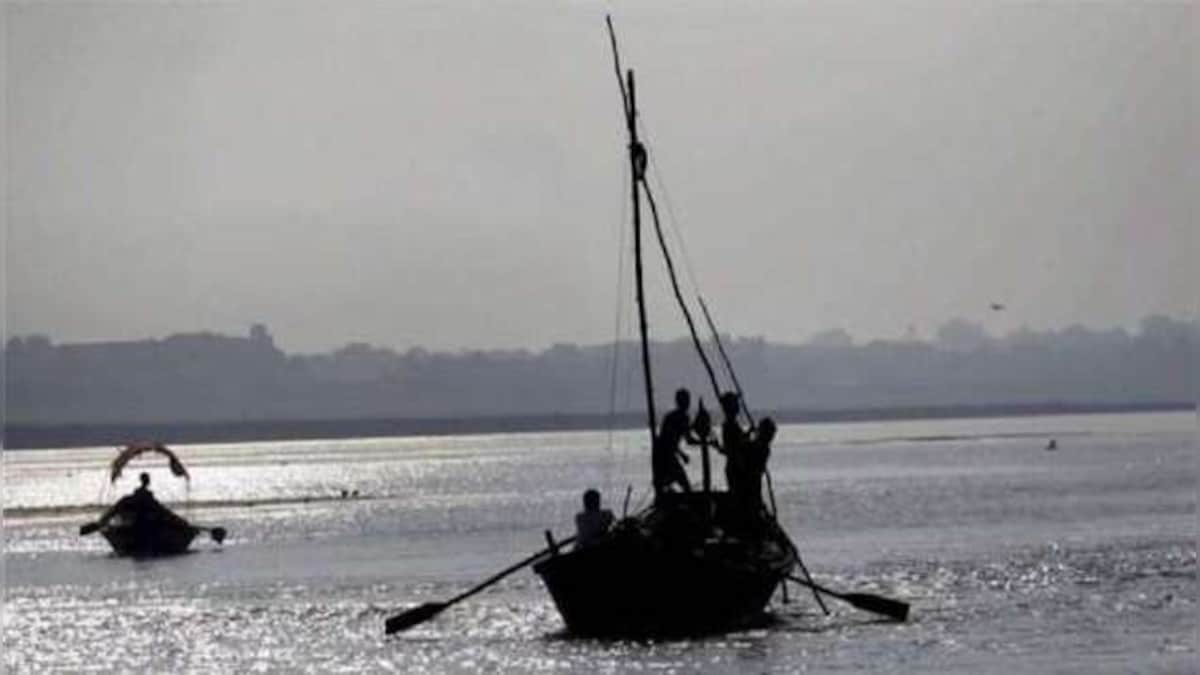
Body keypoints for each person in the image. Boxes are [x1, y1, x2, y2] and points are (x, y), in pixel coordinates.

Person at [653, 388, 698, 496]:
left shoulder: (670, 416)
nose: (688, 403)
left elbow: (670, 440)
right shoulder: (682, 417)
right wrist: (706, 442)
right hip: (665, 456)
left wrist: (681, 454)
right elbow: (688, 440)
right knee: (684, 485)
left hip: (661, 454)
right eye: (686, 400)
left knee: (663, 485)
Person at [739, 417, 776, 516]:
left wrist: (749, 434)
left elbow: (744, 446)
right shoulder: (761, 447)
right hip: (750, 480)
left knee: (754, 498)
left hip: (752, 479)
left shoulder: (763, 448)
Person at [715, 391, 748, 494]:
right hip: (735, 468)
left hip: (737, 466)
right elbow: (731, 448)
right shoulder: (729, 426)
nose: (738, 406)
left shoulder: (732, 424)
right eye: (735, 403)